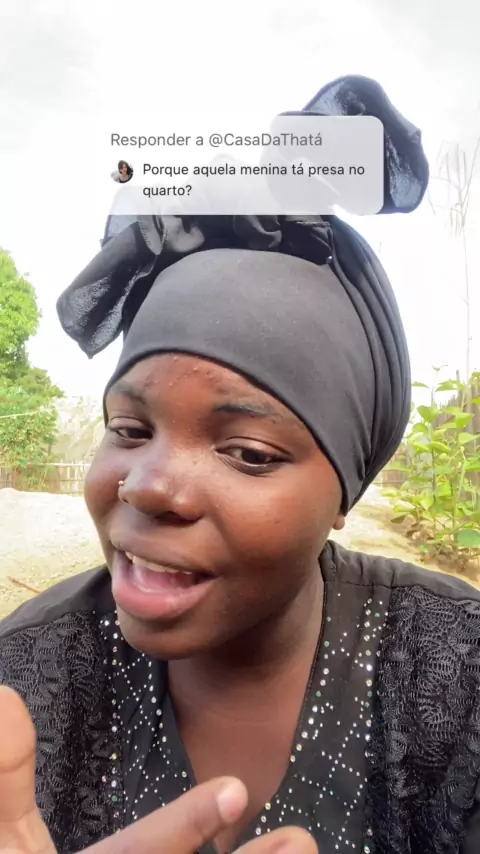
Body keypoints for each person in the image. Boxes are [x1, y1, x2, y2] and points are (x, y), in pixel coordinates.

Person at [1, 77, 479, 854]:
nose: (146, 485)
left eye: (248, 452)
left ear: (345, 492)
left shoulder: (455, 674)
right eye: (129, 428)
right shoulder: (24, 681)